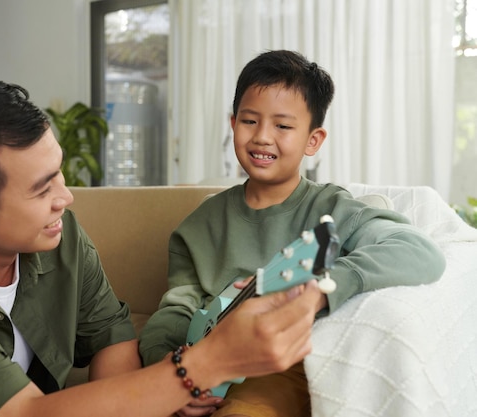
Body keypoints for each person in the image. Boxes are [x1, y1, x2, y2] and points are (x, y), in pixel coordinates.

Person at [0, 75, 326, 417]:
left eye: (59, 171)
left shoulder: (59, 235)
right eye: (42, 188)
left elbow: (112, 337)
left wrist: (157, 394)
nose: (66, 197)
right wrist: (204, 364)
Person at [138, 50, 447, 417]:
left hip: (280, 371)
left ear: (313, 140)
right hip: (203, 366)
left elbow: (419, 251)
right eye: (250, 121)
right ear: (233, 123)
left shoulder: (333, 208)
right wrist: (173, 373)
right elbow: (176, 310)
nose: (263, 137)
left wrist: (321, 288)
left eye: (283, 126)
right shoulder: (198, 225)